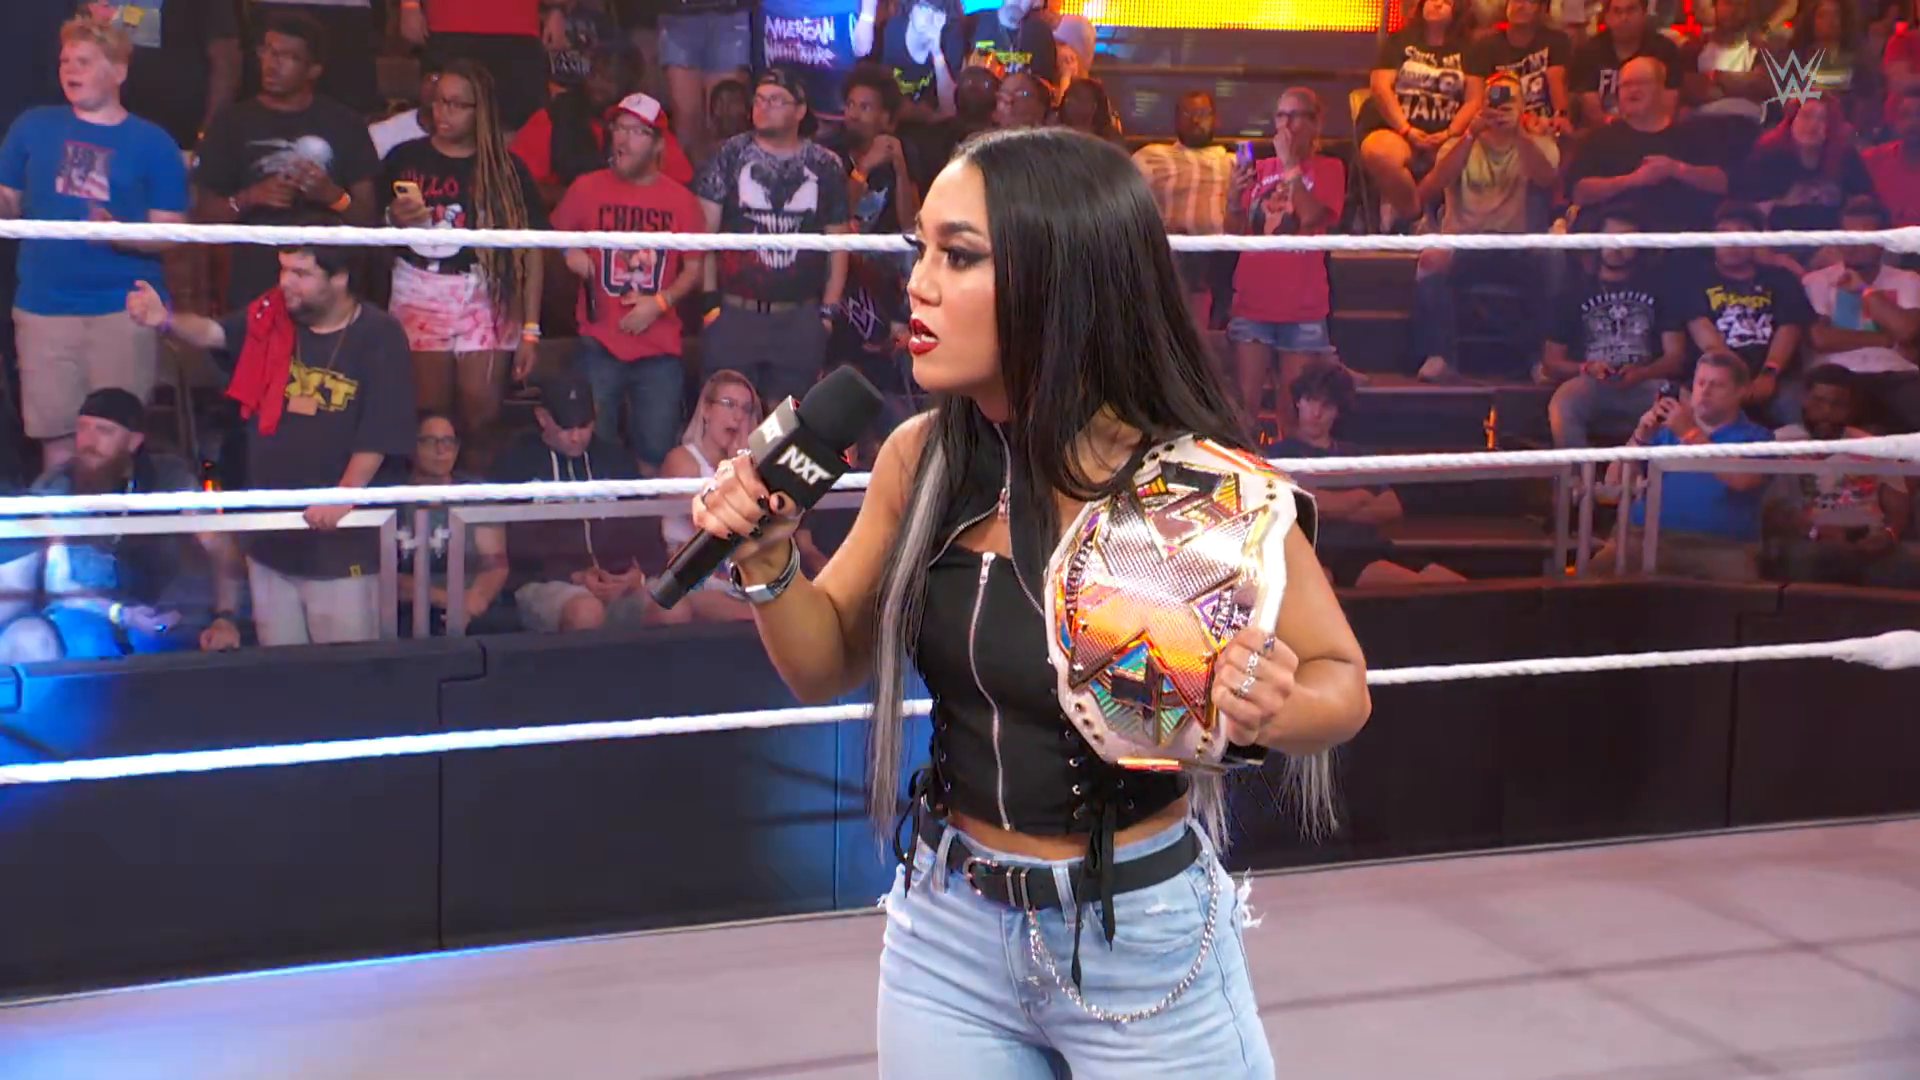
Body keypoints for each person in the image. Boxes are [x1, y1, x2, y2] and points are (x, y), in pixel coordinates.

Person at [689, 127, 1371, 1077]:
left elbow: (1343, 681)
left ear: (1060, 279)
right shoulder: (922, 459)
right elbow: (822, 661)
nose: (919, 285)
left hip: (1139, 934)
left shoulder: (1188, 487)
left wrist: (1275, 708)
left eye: (959, 256)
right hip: (947, 931)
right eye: (920, 250)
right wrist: (768, 563)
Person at [127, 240, 417, 646]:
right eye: (283, 269)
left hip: (341, 544)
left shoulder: (379, 334)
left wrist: (343, 496)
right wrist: (165, 319)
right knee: (280, 668)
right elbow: (214, 333)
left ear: (339, 278)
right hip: (270, 538)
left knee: (344, 672)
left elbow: (381, 427)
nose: (286, 283)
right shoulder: (271, 314)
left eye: (301, 273)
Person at [0, 14, 189, 470]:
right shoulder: (33, 126)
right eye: (65, 61)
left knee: (114, 441)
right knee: (56, 438)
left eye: (83, 61)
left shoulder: (153, 142)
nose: (71, 69)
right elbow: (8, 201)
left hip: (122, 310)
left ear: (118, 71)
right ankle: (63, 520)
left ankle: (114, 519)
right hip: (43, 307)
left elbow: (171, 230)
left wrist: (119, 232)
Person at [382, 59, 547, 467]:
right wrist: (393, 219)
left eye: (457, 104)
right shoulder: (405, 157)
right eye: (439, 101)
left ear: (481, 111)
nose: (444, 113)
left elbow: (531, 251)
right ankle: (429, 499)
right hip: (420, 286)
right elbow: (370, 228)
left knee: (481, 417)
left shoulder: (507, 169)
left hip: (485, 291)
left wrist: (530, 330)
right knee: (430, 417)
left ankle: (475, 498)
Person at [24, 389, 246, 658]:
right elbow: (56, 584)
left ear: (134, 441)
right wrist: (120, 614)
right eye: (83, 428)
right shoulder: (54, 488)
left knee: (190, 647)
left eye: (104, 431)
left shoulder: (171, 478)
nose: (88, 441)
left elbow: (222, 551)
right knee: (83, 646)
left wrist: (225, 618)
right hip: (83, 614)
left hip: (161, 611)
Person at [552, 91, 707, 473]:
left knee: (655, 450)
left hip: (659, 348)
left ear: (658, 144)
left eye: (636, 131)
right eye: (619, 128)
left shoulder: (681, 201)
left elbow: (694, 269)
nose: (622, 138)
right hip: (599, 341)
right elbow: (553, 235)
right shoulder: (586, 188)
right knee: (594, 447)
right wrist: (569, 252)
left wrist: (659, 304)